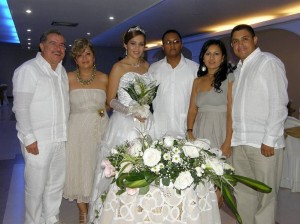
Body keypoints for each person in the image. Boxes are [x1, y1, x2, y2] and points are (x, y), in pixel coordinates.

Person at [88, 25, 151, 223]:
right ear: (125, 45)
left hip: (146, 123)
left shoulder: (147, 67)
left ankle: (139, 213)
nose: (137, 48)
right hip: (123, 124)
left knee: (145, 167)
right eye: (133, 43)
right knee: (120, 169)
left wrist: (144, 110)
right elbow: (110, 100)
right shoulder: (118, 67)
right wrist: (131, 110)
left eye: (141, 44)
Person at [230, 24, 288, 224]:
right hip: (240, 141)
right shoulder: (237, 70)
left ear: (255, 40)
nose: (240, 44)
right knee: (243, 193)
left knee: (266, 197)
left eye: (245, 38)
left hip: (264, 144)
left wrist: (270, 139)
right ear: (232, 46)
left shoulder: (268, 62)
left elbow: (279, 103)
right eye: (235, 41)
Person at [12, 29, 69, 224]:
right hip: (38, 141)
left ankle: (51, 218)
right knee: (35, 188)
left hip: (60, 139)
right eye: (53, 43)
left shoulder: (61, 72)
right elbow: (20, 107)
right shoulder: (29, 70)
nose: (59, 48)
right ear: (42, 46)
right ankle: (33, 221)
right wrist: (28, 138)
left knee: (55, 185)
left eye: (62, 45)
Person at [62, 38, 109, 223]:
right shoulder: (68, 78)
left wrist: (99, 113)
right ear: (75, 59)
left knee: (98, 167)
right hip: (76, 130)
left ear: (94, 56)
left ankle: (98, 208)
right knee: (80, 168)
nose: (84, 58)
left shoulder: (104, 77)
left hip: (100, 128)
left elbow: (109, 102)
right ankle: (83, 211)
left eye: (88, 53)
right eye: (80, 55)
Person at [186, 39, 233, 158]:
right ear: (203, 57)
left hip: (220, 128)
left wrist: (228, 141)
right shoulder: (197, 81)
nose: (211, 58)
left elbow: (230, 113)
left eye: (216, 54)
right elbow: (192, 109)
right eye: (208, 54)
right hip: (200, 128)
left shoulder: (229, 79)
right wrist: (190, 131)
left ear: (222, 58)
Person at [149, 29, 199, 139]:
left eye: (176, 42)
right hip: (160, 130)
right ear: (163, 47)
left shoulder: (194, 69)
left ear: (181, 45)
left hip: (186, 129)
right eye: (168, 42)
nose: (172, 45)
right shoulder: (153, 69)